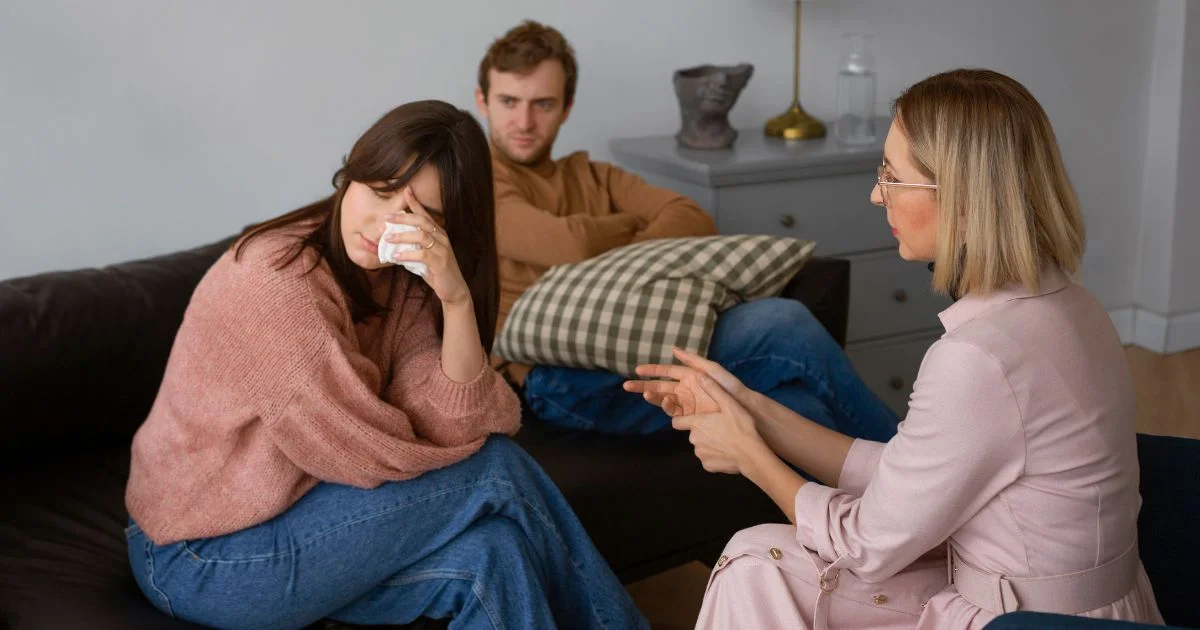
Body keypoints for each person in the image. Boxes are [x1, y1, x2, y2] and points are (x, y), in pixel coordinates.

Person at [626, 69, 1164, 628]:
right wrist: (749, 406)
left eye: (892, 175)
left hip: (1024, 619)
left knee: (753, 561)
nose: (876, 193)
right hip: (1087, 606)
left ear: (961, 196)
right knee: (758, 560)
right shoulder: (1075, 307)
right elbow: (911, 474)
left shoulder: (979, 358)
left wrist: (750, 457)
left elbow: (866, 545)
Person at [123, 100, 648, 630]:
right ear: (351, 173)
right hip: (199, 554)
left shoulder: (402, 279)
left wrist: (456, 300)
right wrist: (452, 454)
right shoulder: (275, 281)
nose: (387, 224)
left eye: (424, 214)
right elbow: (359, 451)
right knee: (496, 471)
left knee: (495, 552)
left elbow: (454, 422)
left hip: (301, 516)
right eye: (379, 192)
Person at [475, 20, 900, 440]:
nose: (525, 121)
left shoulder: (593, 175)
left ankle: (893, 492)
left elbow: (692, 216)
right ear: (483, 101)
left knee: (799, 407)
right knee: (781, 321)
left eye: (542, 104)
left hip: (645, 339)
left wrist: (601, 243)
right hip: (558, 378)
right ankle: (906, 466)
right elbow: (567, 242)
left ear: (566, 107)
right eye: (509, 102)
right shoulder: (476, 181)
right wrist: (624, 228)